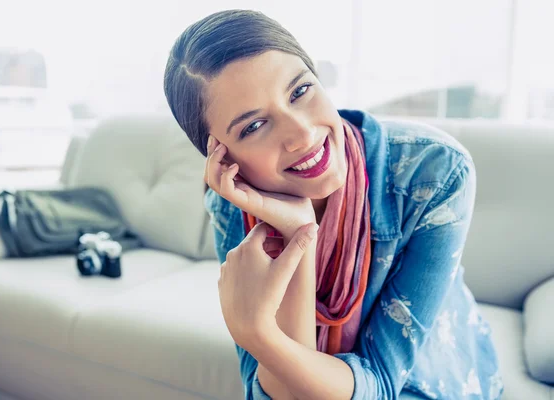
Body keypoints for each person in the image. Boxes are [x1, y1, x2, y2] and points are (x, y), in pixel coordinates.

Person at [163, 9, 503, 400]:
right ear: (223, 157)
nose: (302, 134)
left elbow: (380, 386)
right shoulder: (230, 204)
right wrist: (297, 234)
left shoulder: (434, 172)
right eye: (254, 126)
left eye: (300, 91)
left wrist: (259, 334)